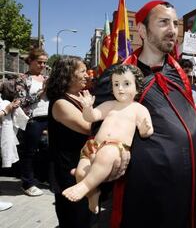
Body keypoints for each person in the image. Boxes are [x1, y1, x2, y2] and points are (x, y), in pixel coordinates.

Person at [91, 0, 196, 228]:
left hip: (190, 189)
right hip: (149, 194)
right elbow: (100, 128)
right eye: (164, 22)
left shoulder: (179, 73)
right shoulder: (120, 75)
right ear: (143, 31)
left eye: (175, 23)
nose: (173, 30)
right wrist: (108, 154)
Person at [62, 65, 153, 214]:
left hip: (115, 148)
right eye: (116, 84)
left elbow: (146, 133)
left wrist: (145, 128)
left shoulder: (138, 109)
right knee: (80, 172)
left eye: (126, 84)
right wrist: (87, 109)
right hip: (94, 145)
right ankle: (93, 195)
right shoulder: (109, 104)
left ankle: (85, 187)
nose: (120, 88)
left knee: (106, 155)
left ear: (137, 87)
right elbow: (92, 117)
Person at [46, 56, 93, 228]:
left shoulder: (79, 96)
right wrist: (90, 109)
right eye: (82, 71)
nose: (87, 75)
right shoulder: (60, 103)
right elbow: (89, 127)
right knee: (74, 217)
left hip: (80, 165)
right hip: (67, 169)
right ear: (68, 75)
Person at [15, 48, 49, 197]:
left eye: (44, 63)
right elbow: (21, 101)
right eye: (39, 62)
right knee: (29, 151)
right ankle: (27, 183)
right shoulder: (22, 79)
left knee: (47, 149)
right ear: (31, 61)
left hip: (49, 117)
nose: (42, 65)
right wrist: (41, 92)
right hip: (32, 119)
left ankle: (42, 177)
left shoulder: (46, 78)